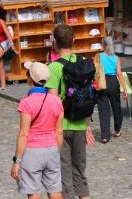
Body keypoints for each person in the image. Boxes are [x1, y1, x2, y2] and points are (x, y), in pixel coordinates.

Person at [45, 24, 90, 199]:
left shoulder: (54, 68)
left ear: (54, 43)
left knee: (64, 172)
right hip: (80, 123)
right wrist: (86, 125)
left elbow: (53, 102)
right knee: (79, 170)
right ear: (74, 41)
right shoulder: (83, 63)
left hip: (61, 127)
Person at [12, 62, 64, 199]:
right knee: (55, 190)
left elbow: (24, 134)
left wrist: (17, 161)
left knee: (34, 192)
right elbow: (59, 131)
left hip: (32, 151)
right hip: (51, 148)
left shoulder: (26, 102)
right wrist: (56, 151)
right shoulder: (57, 101)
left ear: (30, 78)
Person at [95, 37, 128, 143]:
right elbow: (119, 73)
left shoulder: (98, 56)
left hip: (102, 82)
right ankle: (117, 130)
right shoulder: (116, 58)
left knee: (103, 110)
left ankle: (105, 136)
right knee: (116, 107)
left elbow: (96, 71)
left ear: (103, 45)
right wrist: (125, 89)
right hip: (113, 82)